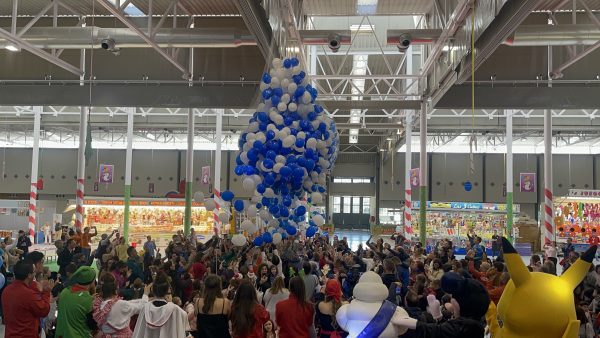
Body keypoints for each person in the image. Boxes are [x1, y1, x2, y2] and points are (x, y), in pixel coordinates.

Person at [2, 259, 53, 337]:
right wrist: (47, 292)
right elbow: (44, 310)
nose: (35, 273)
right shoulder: (28, 294)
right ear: (29, 275)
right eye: (33, 272)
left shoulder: (7, 290)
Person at [132, 271, 190, 338]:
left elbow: (139, 332)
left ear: (153, 290)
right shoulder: (175, 310)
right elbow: (183, 322)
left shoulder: (145, 308)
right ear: (167, 291)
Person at [93, 272, 150, 337]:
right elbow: (142, 307)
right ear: (116, 290)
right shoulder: (120, 305)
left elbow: (128, 303)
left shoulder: (98, 304)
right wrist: (146, 294)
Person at [55, 265, 98, 338]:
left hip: (61, 334)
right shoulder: (88, 300)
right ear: (92, 281)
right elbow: (92, 326)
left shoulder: (65, 291)